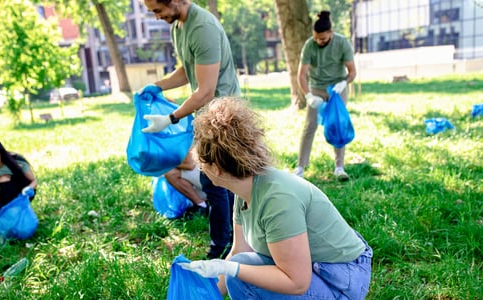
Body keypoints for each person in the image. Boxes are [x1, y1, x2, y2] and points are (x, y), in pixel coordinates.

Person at [179, 97, 372, 299]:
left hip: (342, 281)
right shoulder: (244, 188)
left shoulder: (277, 199)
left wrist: (231, 268)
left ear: (216, 170)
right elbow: (238, 252)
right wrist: (208, 294)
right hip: (317, 272)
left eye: (202, 164)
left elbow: (296, 282)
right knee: (240, 268)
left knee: (240, 273)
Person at [140, 0, 241, 259]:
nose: (156, 16)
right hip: (206, 116)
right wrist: (157, 86)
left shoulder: (203, 27)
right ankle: (232, 241)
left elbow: (206, 90)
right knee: (221, 182)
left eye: (158, 10)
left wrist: (171, 118)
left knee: (218, 182)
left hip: (225, 116)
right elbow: (187, 69)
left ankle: (222, 246)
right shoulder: (178, 27)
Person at [294, 10, 357, 181]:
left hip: (337, 89)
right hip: (316, 88)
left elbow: (352, 72)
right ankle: (300, 167)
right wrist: (308, 96)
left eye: (321, 38)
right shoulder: (309, 45)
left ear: (330, 33)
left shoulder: (342, 43)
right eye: (315, 38)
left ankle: (339, 167)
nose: (318, 41)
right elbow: (301, 75)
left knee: (338, 125)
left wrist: (344, 83)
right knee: (310, 126)